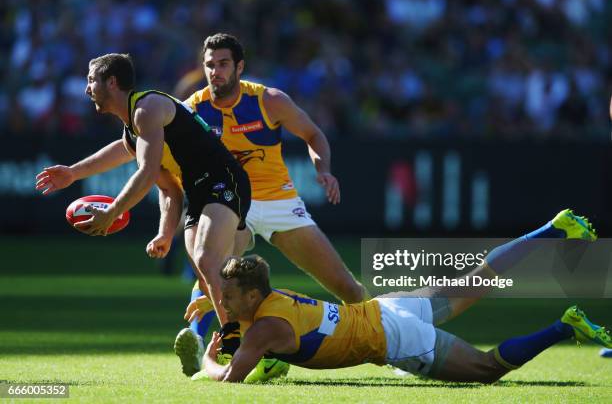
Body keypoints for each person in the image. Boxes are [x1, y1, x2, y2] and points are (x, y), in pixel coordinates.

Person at [180, 209, 610, 383]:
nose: (225, 302)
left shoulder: (266, 328)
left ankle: (565, 324)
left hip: (395, 337)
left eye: (229, 296)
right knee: (479, 278)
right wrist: (212, 304)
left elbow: (231, 379)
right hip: (385, 306)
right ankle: (554, 228)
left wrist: (207, 359)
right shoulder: (272, 298)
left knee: (486, 369)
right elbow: (243, 314)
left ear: (253, 294)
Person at [34, 53, 251, 336]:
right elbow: (169, 189)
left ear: (112, 82)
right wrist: (164, 232)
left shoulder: (146, 109)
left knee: (207, 261)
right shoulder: (135, 130)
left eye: (91, 81)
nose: (87, 89)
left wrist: (111, 212)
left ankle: (235, 340)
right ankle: (251, 335)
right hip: (199, 194)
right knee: (206, 269)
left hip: (225, 180)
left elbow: (146, 172)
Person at [177, 31, 367, 345]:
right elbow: (144, 143)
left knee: (347, 287)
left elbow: (314, 135)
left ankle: (394, 342)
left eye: (224, 64)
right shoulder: (192, 109)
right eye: (210, 64)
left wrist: (325, 171)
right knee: (214, 266)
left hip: (281, 202)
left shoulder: (269, 100)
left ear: (240, 67)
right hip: (234, 203)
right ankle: (196, 342)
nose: (216, 71)